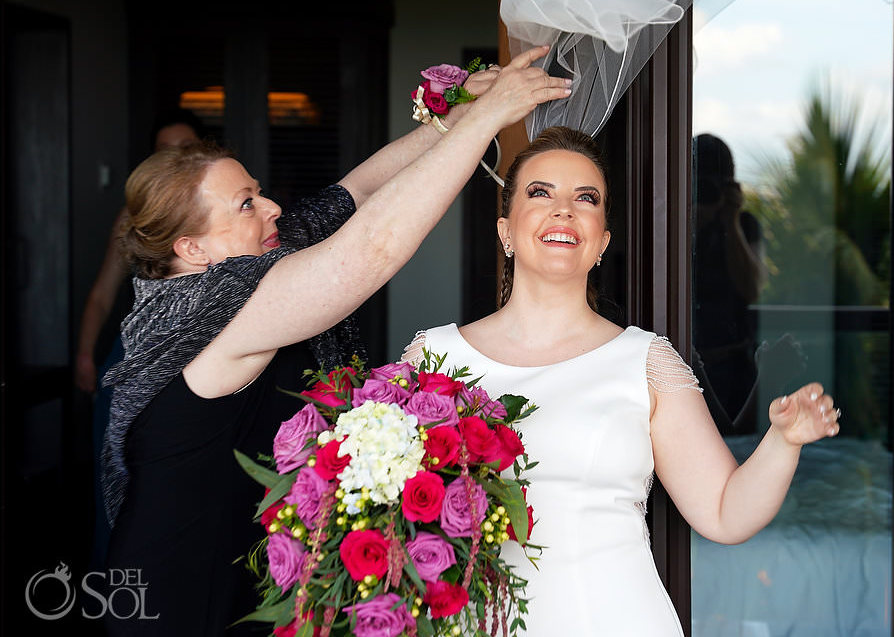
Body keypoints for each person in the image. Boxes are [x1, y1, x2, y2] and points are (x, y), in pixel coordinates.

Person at [100, 47, 571, 636]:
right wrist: (486, 120)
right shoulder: (199, 311)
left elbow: (364, 192)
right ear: (192, 251)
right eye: (247, 204)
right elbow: (365, 254)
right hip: (178, 596)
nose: (272, 206)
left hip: (247, 578)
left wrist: (463, 109)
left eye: (258, 190)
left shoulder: (256, 254)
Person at [402, 126, 840, 637]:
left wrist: (784, 441)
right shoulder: (431, 358)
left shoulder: (645, 361)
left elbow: (725, 512)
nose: (564, 210)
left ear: (602, 241)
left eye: (585, 198)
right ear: (505, 229)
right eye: (540, 192)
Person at [76, 107, 205, 572]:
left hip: (198, 363)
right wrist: (85, 356)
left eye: (186, 149)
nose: (176, 158)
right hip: (131, 359)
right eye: (165, 151)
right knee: (117, 476)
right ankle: (117, 590)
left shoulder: (221, 217)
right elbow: (101, 293)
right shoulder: (133, 219)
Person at [692, 133, 766, 433]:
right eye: (702, 184)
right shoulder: (679, 222)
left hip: (735, 367)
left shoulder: (743, 224)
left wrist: (730, 221)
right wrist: (695, 220)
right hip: (689, 362)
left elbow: (753, 289)